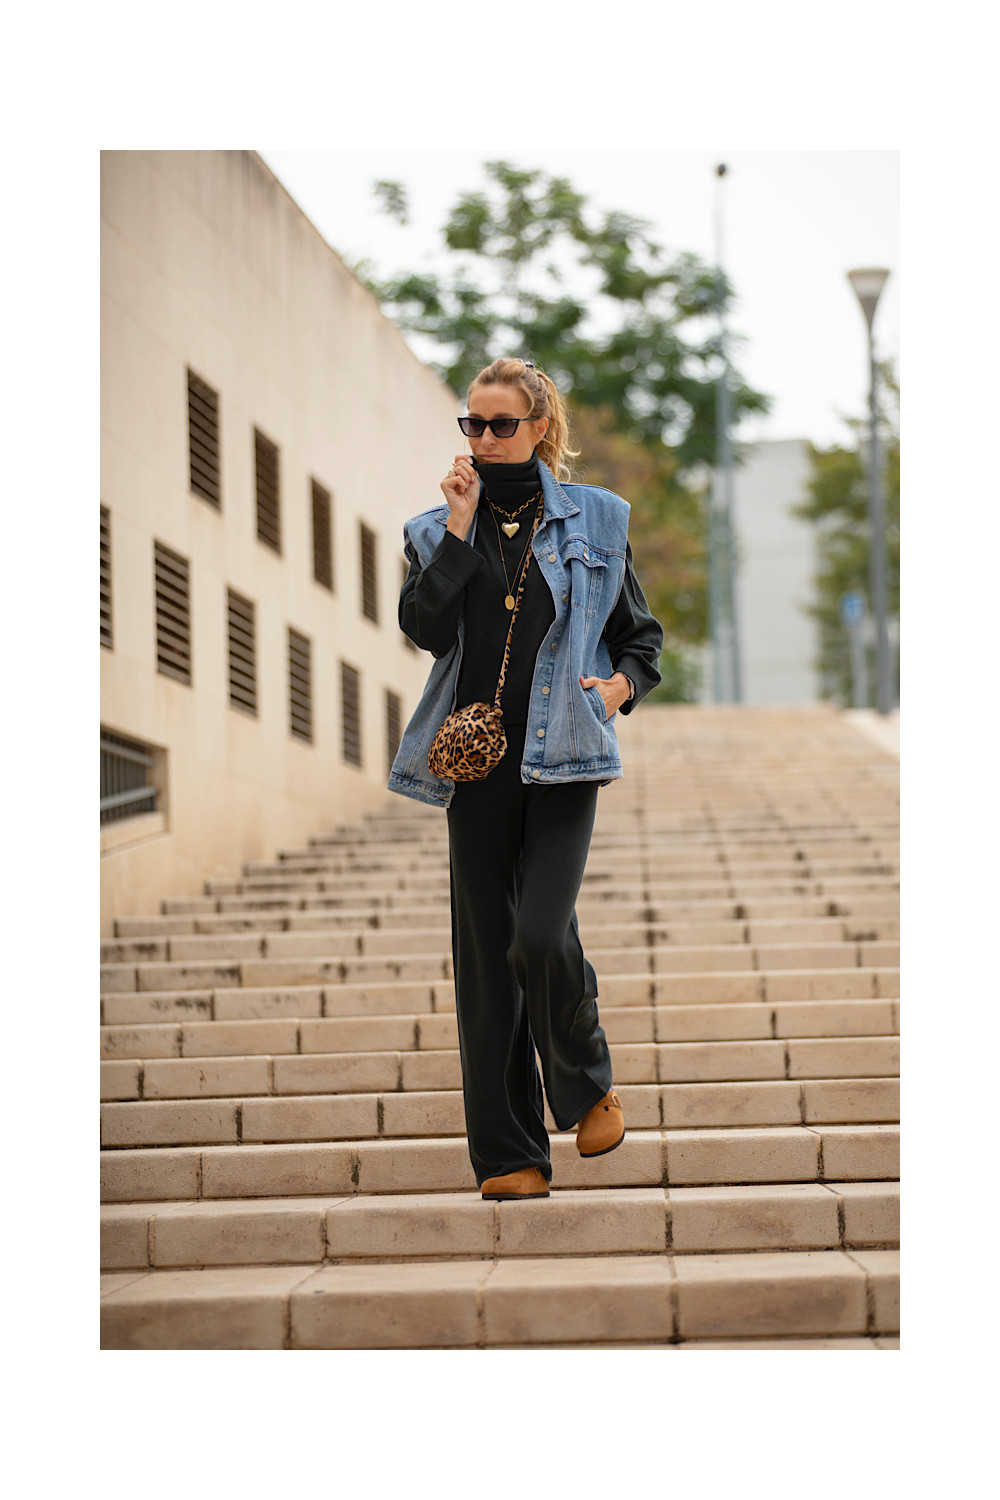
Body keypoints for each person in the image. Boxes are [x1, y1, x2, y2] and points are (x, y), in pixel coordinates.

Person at [388, 357, 664, 1201]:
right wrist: (460, 530)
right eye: (472, 424)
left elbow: (640, 639)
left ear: (540, 427)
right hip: (474, 766)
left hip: (564, 758)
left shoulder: (599, 519)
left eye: (501, 424)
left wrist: (618, 689)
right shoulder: (434, 529)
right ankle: (509, 1155)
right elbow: (423, 628)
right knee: (486, 966)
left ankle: (587, 1087)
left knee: (539, 935)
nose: (484, 438)